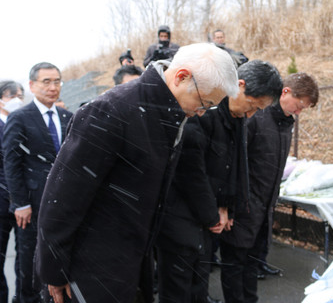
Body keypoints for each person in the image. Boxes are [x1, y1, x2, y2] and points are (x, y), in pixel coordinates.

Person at [35, 43, 239, 303]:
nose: (201, 112)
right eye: (203, 102)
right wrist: (53, 270)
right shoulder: (111, 111)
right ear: (181, 77)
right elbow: (62, 199)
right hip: (91, 265)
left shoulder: (167, 114)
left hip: (131, 257)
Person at [155, 59, 282, 303]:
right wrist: (212, 215)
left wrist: (227, 207)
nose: (251, 114)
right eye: (253, 105)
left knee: (199, 288)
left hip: (205, 221)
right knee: (178, 291)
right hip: (180, 218)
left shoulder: (237, 116)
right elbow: (191, 173)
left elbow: (235, 166)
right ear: (239, 85)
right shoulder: (203, 110)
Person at [219, 72, 319, 303]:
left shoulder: (285, 124)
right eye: (299, 105)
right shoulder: (256, 116)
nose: (299, 111)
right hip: (242, 206)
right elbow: (233, 162)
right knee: (235, 265)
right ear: (285, 92)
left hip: (264, 208)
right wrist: (228, 205)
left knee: (253, 265)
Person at [2, 63, 73, 303]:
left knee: (58, 258)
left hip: (62, 204)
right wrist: (20, 203)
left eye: (57, 81)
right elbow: (12, 164)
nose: (53, 87)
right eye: (46, 81)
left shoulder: (68, 117)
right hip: (31, 206)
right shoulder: (20, 118)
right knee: (30, 261)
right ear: (32, 85)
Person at [0, 80, 24, 303]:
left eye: (21, 96)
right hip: (1, 202)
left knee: (24, 259)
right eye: (13, 96)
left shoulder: (25, 123)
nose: (18, 100)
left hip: (25, 204)